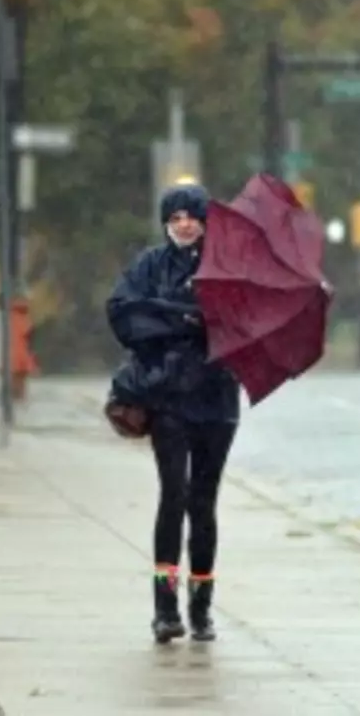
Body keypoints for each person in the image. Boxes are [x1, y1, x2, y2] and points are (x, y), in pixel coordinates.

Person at [105, 183, 240, 644]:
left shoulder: (226, 266)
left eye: (192, 215)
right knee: (173, 495)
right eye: (175, 216)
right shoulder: (149, 265)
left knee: (204, 502)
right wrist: (182, 316)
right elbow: (125, 314)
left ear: (205, 221)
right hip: (167, 399)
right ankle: (165, 609)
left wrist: (180, 317)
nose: (184, 223)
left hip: (217, 400)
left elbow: (236, 320)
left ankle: (201, 607)